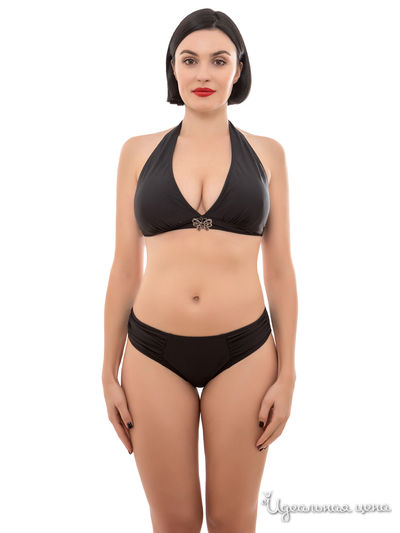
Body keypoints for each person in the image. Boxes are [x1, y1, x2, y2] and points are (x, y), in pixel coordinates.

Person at [102, 8, 297, 533]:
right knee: (175, 522)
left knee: (233, 521)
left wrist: (288, 373)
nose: (203, 74)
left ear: (239, 69)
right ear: (173, 68)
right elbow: (124, 269)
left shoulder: (269, 154)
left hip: (246, 352)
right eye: (189, 60)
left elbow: (280, 272)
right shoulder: (137, 152)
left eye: (219, 60)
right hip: (152, 353)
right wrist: (107, 371)